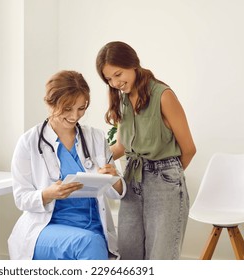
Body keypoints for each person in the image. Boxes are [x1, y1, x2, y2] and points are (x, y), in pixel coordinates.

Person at [8, 70, 126, 260]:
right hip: (47, 228)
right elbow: (21, 198)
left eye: (81, 108)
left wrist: (114, 179)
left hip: (93, 226)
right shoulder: (29, 142)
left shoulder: (95, 137)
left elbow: (116, 193)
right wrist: (48, 194)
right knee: (88, 243)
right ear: (50, 103)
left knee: (93, 241)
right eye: (68, 109)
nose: (75, 116)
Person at [96, 41, 196, 260]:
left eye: (118, 74)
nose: (115, 83)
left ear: (133, 64)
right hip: (132, 180)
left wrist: (169, 176)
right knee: (129, 254)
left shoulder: (164, 95)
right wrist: (91, 160)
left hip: (164, 184)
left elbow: (188, 149)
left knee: (161, 257)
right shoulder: (123, 100)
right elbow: (122, 146)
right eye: (109, 79)